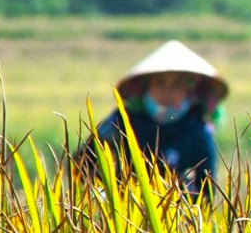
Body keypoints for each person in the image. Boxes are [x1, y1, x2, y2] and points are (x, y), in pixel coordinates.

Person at [79, 40, 227, 194]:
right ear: (146, 87)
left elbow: (207, 193)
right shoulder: (123, 122)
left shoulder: (198, 132)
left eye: (176, 84)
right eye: (160, 83)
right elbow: (82, 165)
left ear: (189, 90)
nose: (167, 91)